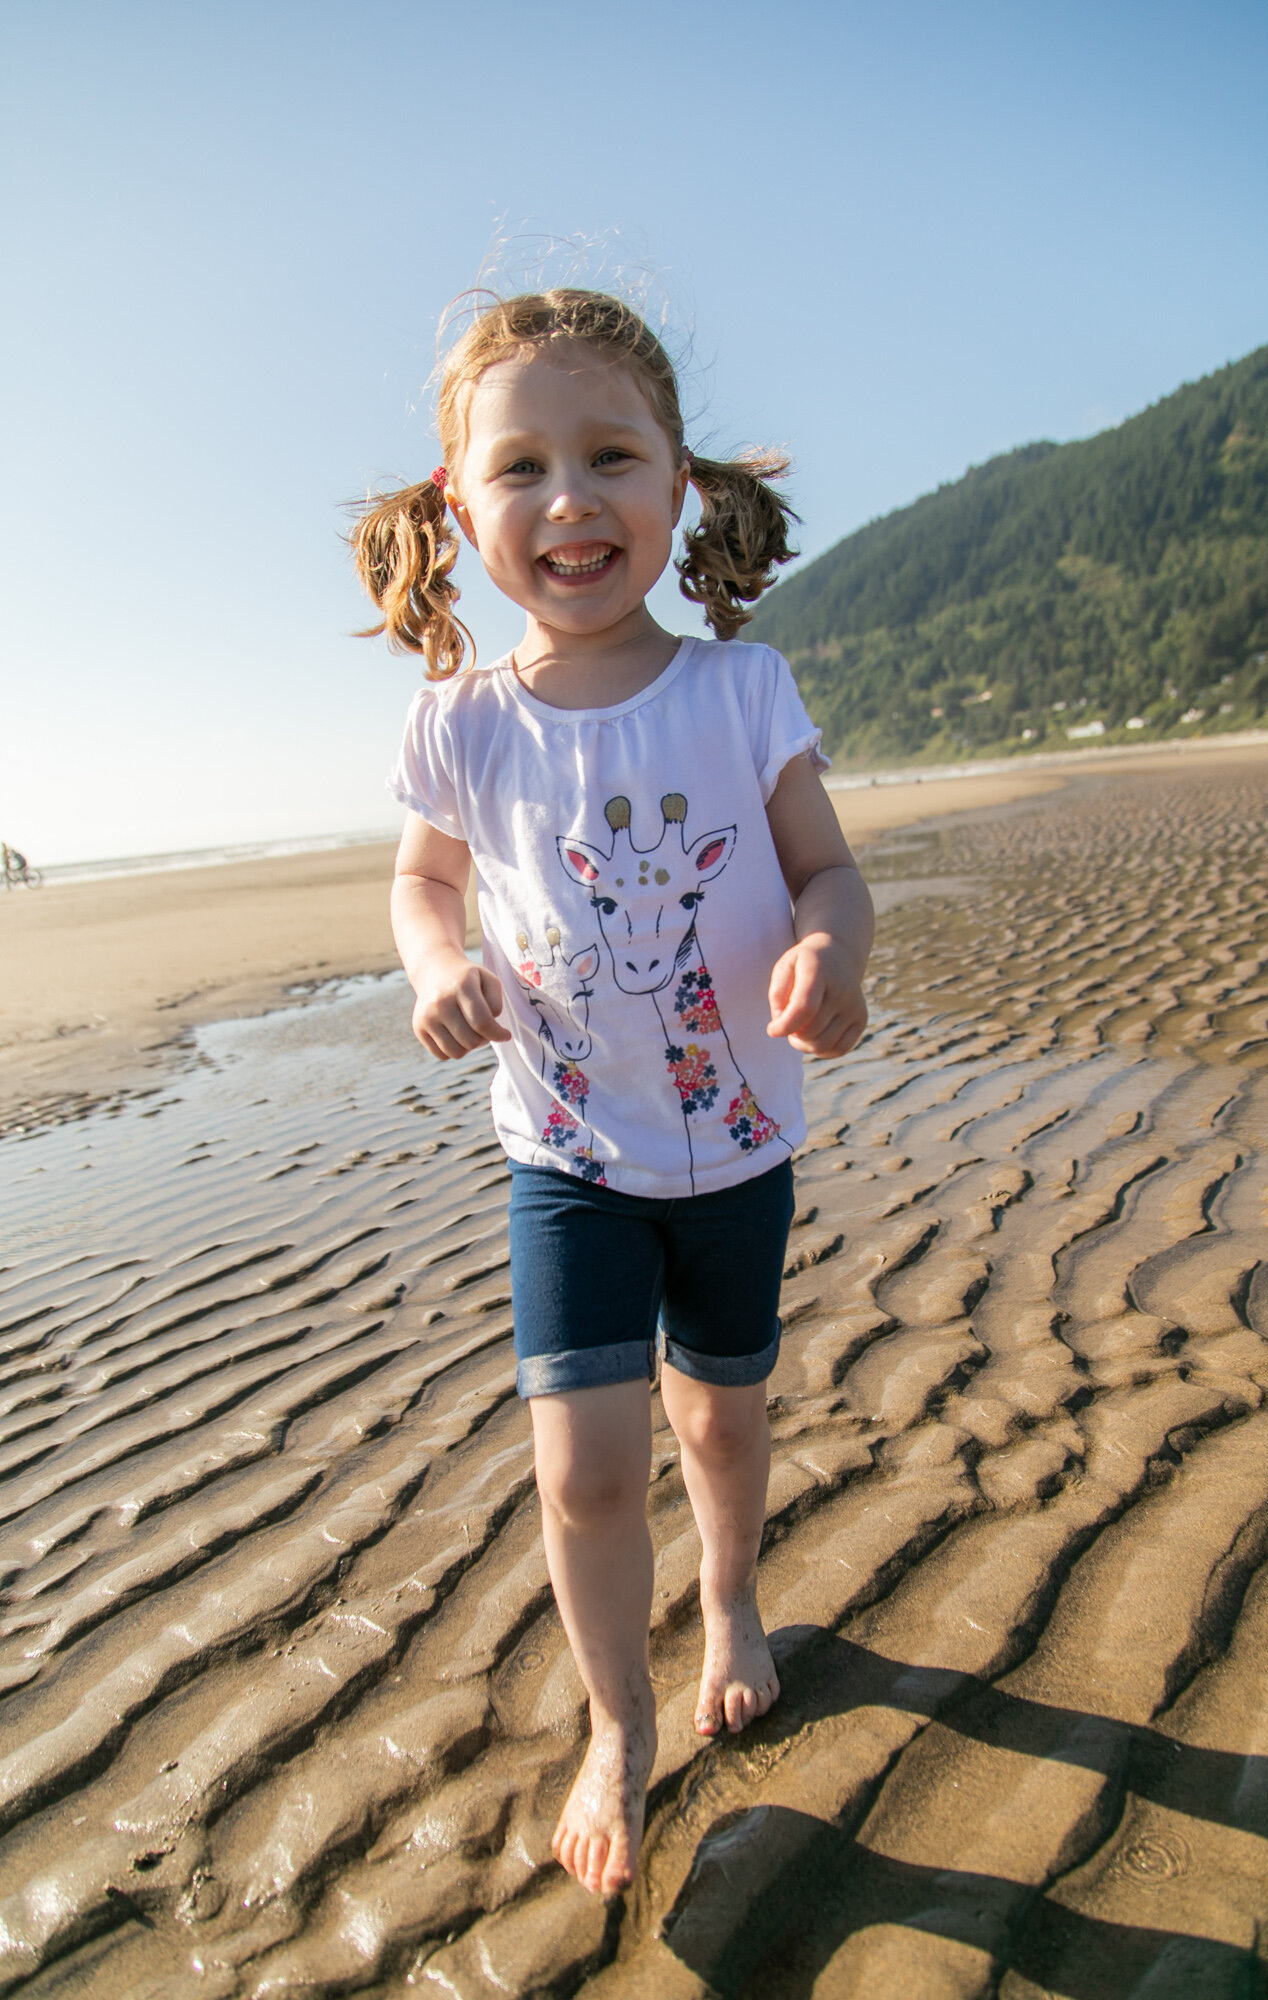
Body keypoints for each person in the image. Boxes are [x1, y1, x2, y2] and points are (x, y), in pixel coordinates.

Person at [354, 289, 873, 1899]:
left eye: (610, 457)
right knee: (580, 1468)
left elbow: (826, 871)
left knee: (718, 1415)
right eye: (521, 467)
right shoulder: (461, 723)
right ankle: (616, 1727)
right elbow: (421, 885)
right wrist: (434, 965)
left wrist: (830, 952)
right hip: (565, 1157)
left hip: (737, 1148)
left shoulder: (741, 690)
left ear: (677, 485)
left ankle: (730, 1599)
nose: (568, 498)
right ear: (460, 511)